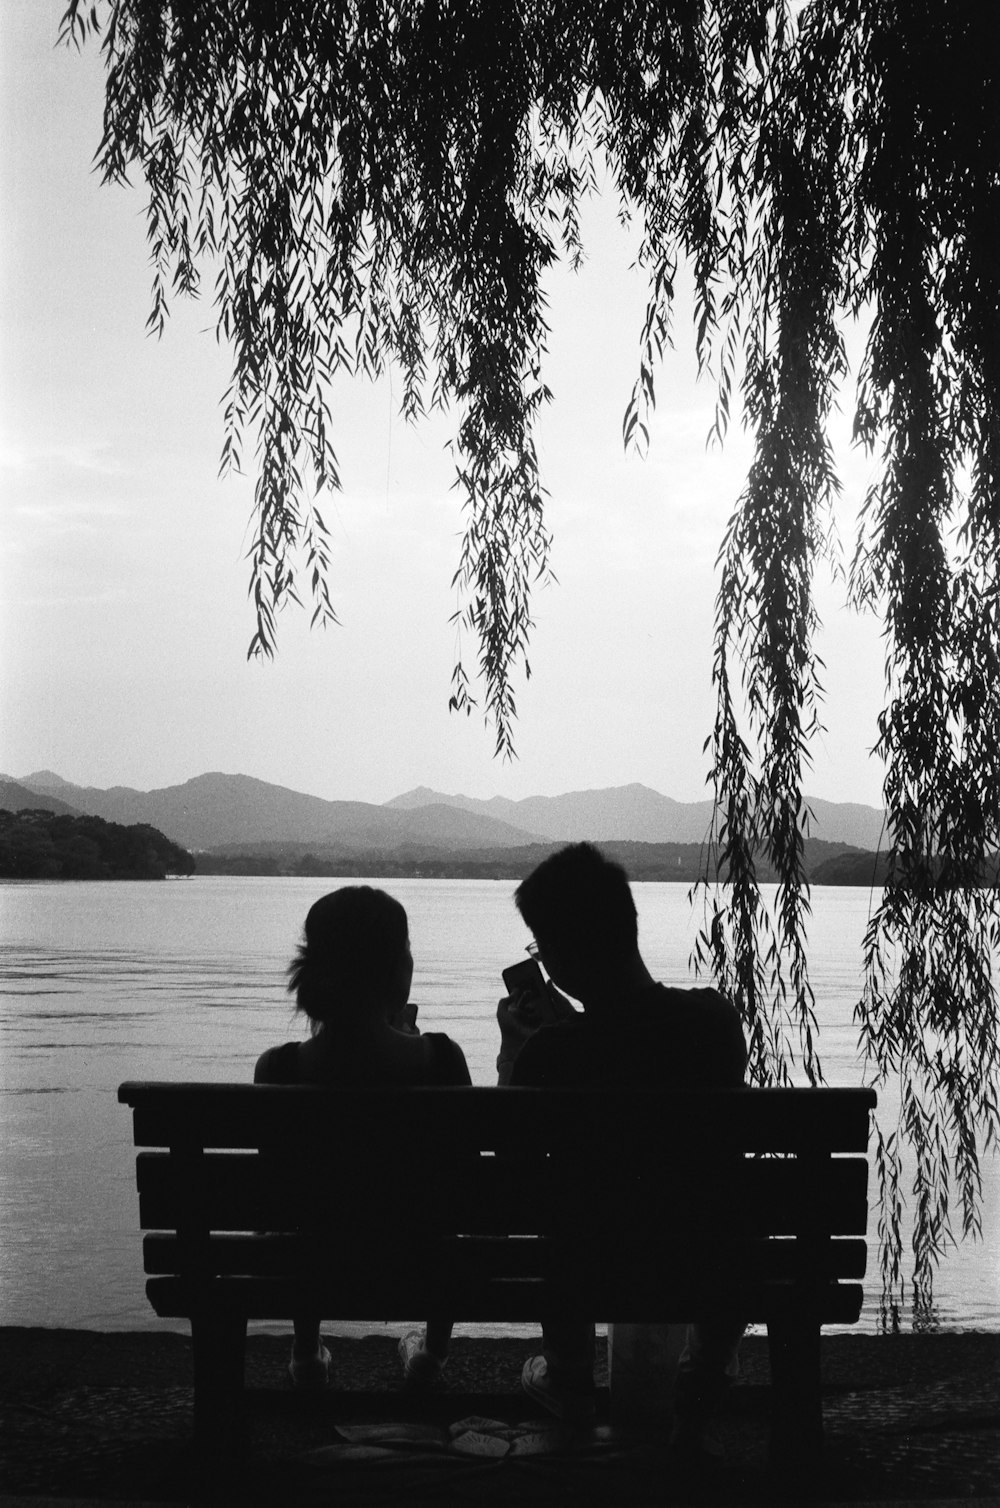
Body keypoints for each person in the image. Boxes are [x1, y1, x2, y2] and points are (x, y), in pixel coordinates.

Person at [496, 842, 746, 1427]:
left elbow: (511, 1168)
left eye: (542, 946)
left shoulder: (550, 1054)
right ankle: (704, 1370)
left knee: (560, 1220)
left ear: (559, 952)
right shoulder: (713, 1022)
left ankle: (569, 1377)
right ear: (626, 926)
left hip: (585, 1264)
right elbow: (637, 1042)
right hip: (702, 1261)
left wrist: (519, 1050)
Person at [254, 886, 470, 1389]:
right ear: (398, 971)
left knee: (299, 1218)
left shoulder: (278, 1068)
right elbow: (463, 1180)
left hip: (305, 1267)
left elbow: (277, 1189)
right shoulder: (442, 1060)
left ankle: (306, 1355)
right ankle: (431, 1356)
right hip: (426, 1263)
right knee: (446, 1222)